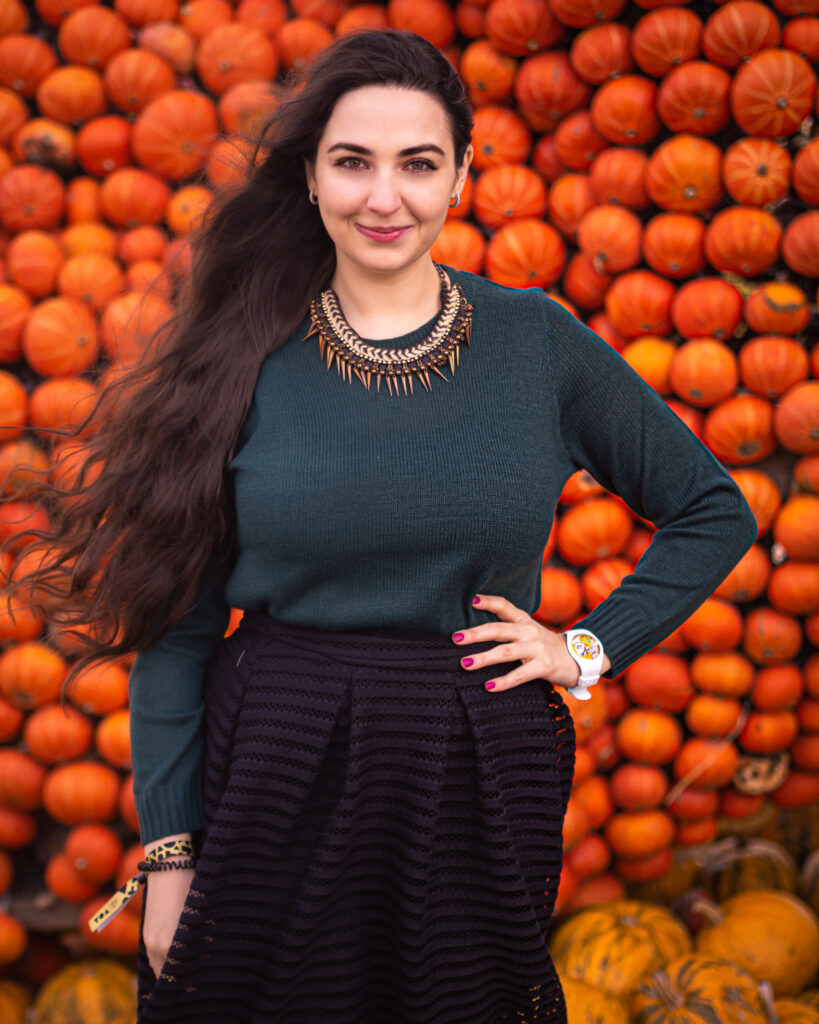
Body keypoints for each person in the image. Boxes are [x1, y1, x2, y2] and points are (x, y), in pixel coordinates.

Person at [6, 28, 758, 1024]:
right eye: (352, 162)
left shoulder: (537, 344)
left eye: (418, 163)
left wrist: (585, 648)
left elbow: (714, 509)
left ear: (461, 179)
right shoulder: (239, 355)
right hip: (273, 758)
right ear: (312, 178)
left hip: (472, 764)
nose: (383, 196)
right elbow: (177, 641)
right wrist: (173, 856)